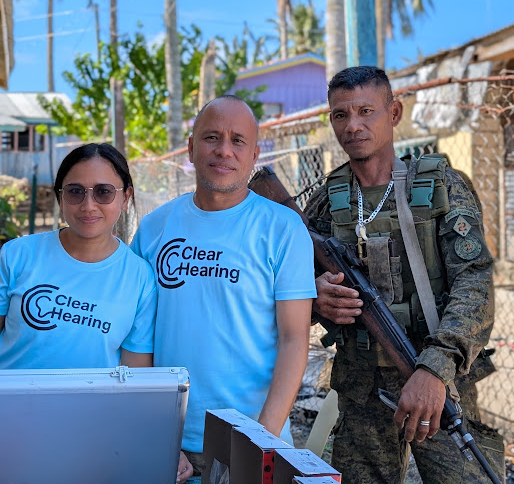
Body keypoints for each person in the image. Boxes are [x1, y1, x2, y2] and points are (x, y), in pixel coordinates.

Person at [305, 66, 505, 483]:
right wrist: (314, 298)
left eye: (366, 111)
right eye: (341, 115)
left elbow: (474, 284)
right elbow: (288, 287)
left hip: (440, 382)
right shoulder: (325, 202)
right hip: (361, 388)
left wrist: (435, 368)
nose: (353, 125)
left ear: (394, 113)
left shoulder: (439, 186)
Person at [131, 95, 316, 476]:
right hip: (171, 442)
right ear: (191, 148)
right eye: (212, 137)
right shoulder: (154, 228)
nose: (224, 150)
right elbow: (137, 340)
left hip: (252, 437)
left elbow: (294, 339)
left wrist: (261, 442)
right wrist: (156, 433)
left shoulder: (283, 228)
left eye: (238, 140)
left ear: (255, 154)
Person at [0, 142, 192, 483]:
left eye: (104, 192)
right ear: (60, 197)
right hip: (10, 427)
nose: (88, 205)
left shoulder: (140, 278)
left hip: (90, 439)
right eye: (76, 191)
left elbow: (134, 382)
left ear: (126, 196)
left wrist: (159, 445)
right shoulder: (16, 256)